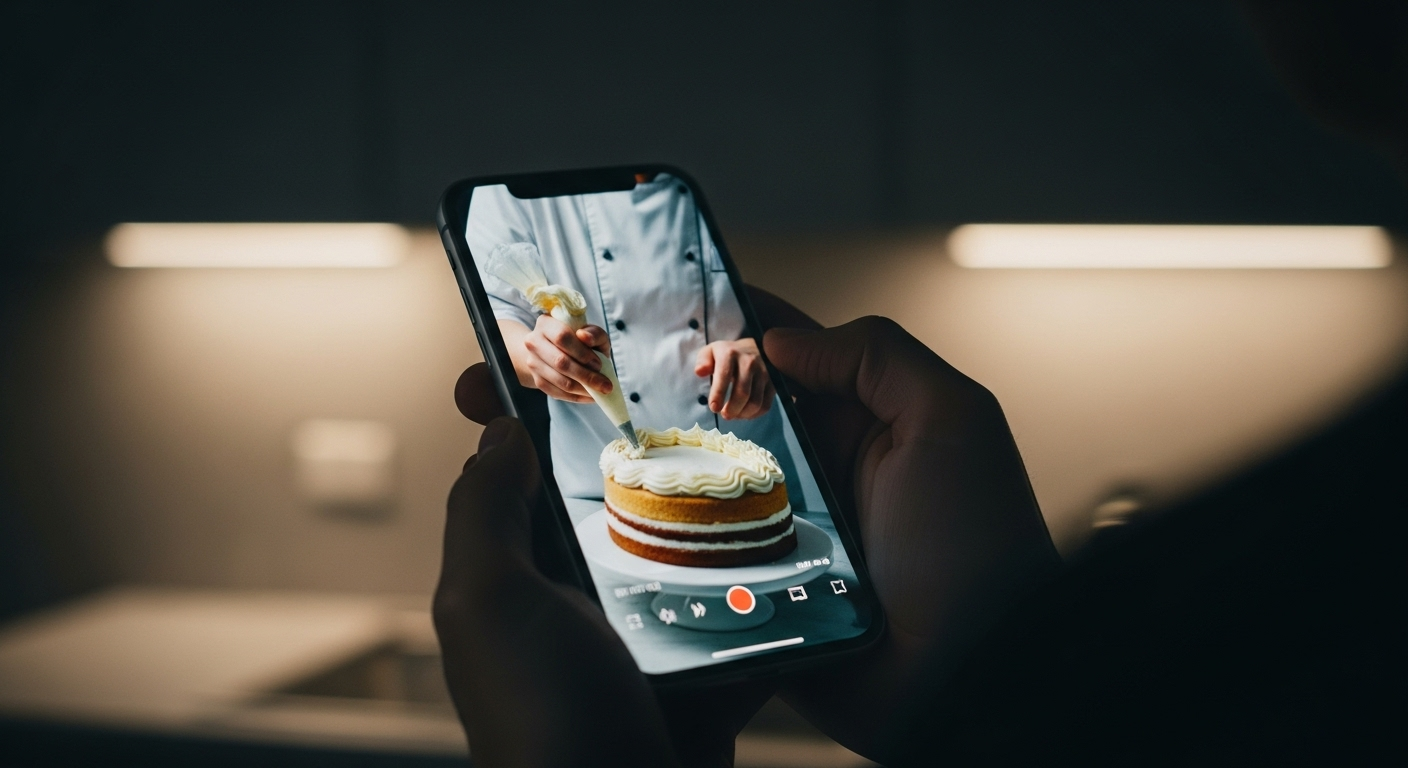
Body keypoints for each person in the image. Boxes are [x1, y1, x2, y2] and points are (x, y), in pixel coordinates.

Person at [434, 4, 1406, 764]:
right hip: (593, 453)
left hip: (714, 424)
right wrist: (522, 342)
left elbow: (695, 304)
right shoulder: (1319, 565)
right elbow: (509, 279)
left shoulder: (1323, 579)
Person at [465, 174, 796, 505]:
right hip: (598, 491)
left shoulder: (735, 163)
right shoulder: (511, 177)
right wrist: (540, 357)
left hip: (752, 482)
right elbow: (498, 312)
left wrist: (760, 350)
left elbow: (779, 287)